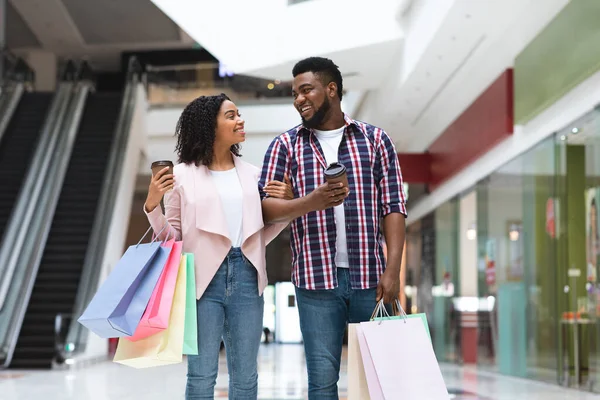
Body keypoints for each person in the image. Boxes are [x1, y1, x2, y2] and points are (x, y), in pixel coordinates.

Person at [259, 57, 407, 399]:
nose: (299, 99)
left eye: (306, 90)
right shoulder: (286, 146)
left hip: (371, 279)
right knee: (322, 383)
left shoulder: (375, 140)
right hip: (314, 281)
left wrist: (393, 268)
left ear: (331, 89)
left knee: (376, 379)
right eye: (294, 93)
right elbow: (265, 210)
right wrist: (311, 201)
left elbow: (394, 207)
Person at [144, 93, 292, 400]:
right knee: (201, 374)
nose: (240, 120)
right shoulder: (182, 175)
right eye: (231, 115)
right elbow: (172, 239)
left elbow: (261, 231)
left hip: (248, 277)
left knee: (246, 375)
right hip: (201, 282)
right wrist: (152, 206)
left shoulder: (253, 175)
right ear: (210, 126)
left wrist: (287, 207)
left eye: (239, 114)